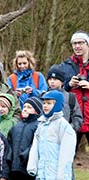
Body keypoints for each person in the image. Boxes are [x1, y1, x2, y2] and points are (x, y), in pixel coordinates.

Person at [27, 90, 76, 180]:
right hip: (42, 174)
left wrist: (62, 177)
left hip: (56, 175)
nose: (45, 106)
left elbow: (66, 156)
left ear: (57, 105)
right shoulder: (41, 124)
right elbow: (35, 147)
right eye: (44, 103)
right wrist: (32, 167)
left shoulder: (64, 126)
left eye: (49, 103)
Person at [58, 30, 89, 163]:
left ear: (87, 44)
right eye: (74, 43)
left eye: (80, 43)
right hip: (73, 117)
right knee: (67, 158)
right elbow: (57, 90)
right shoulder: (65, 66)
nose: (77, 46)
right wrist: (68, 84)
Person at [7, 97, 43, 180]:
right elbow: (10, 143)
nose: (25, 109)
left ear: (37, 111)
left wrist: (24, 155)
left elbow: (35, 145)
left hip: (28, 168)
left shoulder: (38, 126)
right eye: (24, 107)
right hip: (13, 168)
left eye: (29, 107)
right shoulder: (16, 126)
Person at [46, 64, 83, 132]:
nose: (52, 81)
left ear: (62, 81)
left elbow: (78, 118)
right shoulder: (42, 97)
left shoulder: (70, 97)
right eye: (50, 79)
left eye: (55, 79)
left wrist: (69, 130)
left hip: (65, 136)